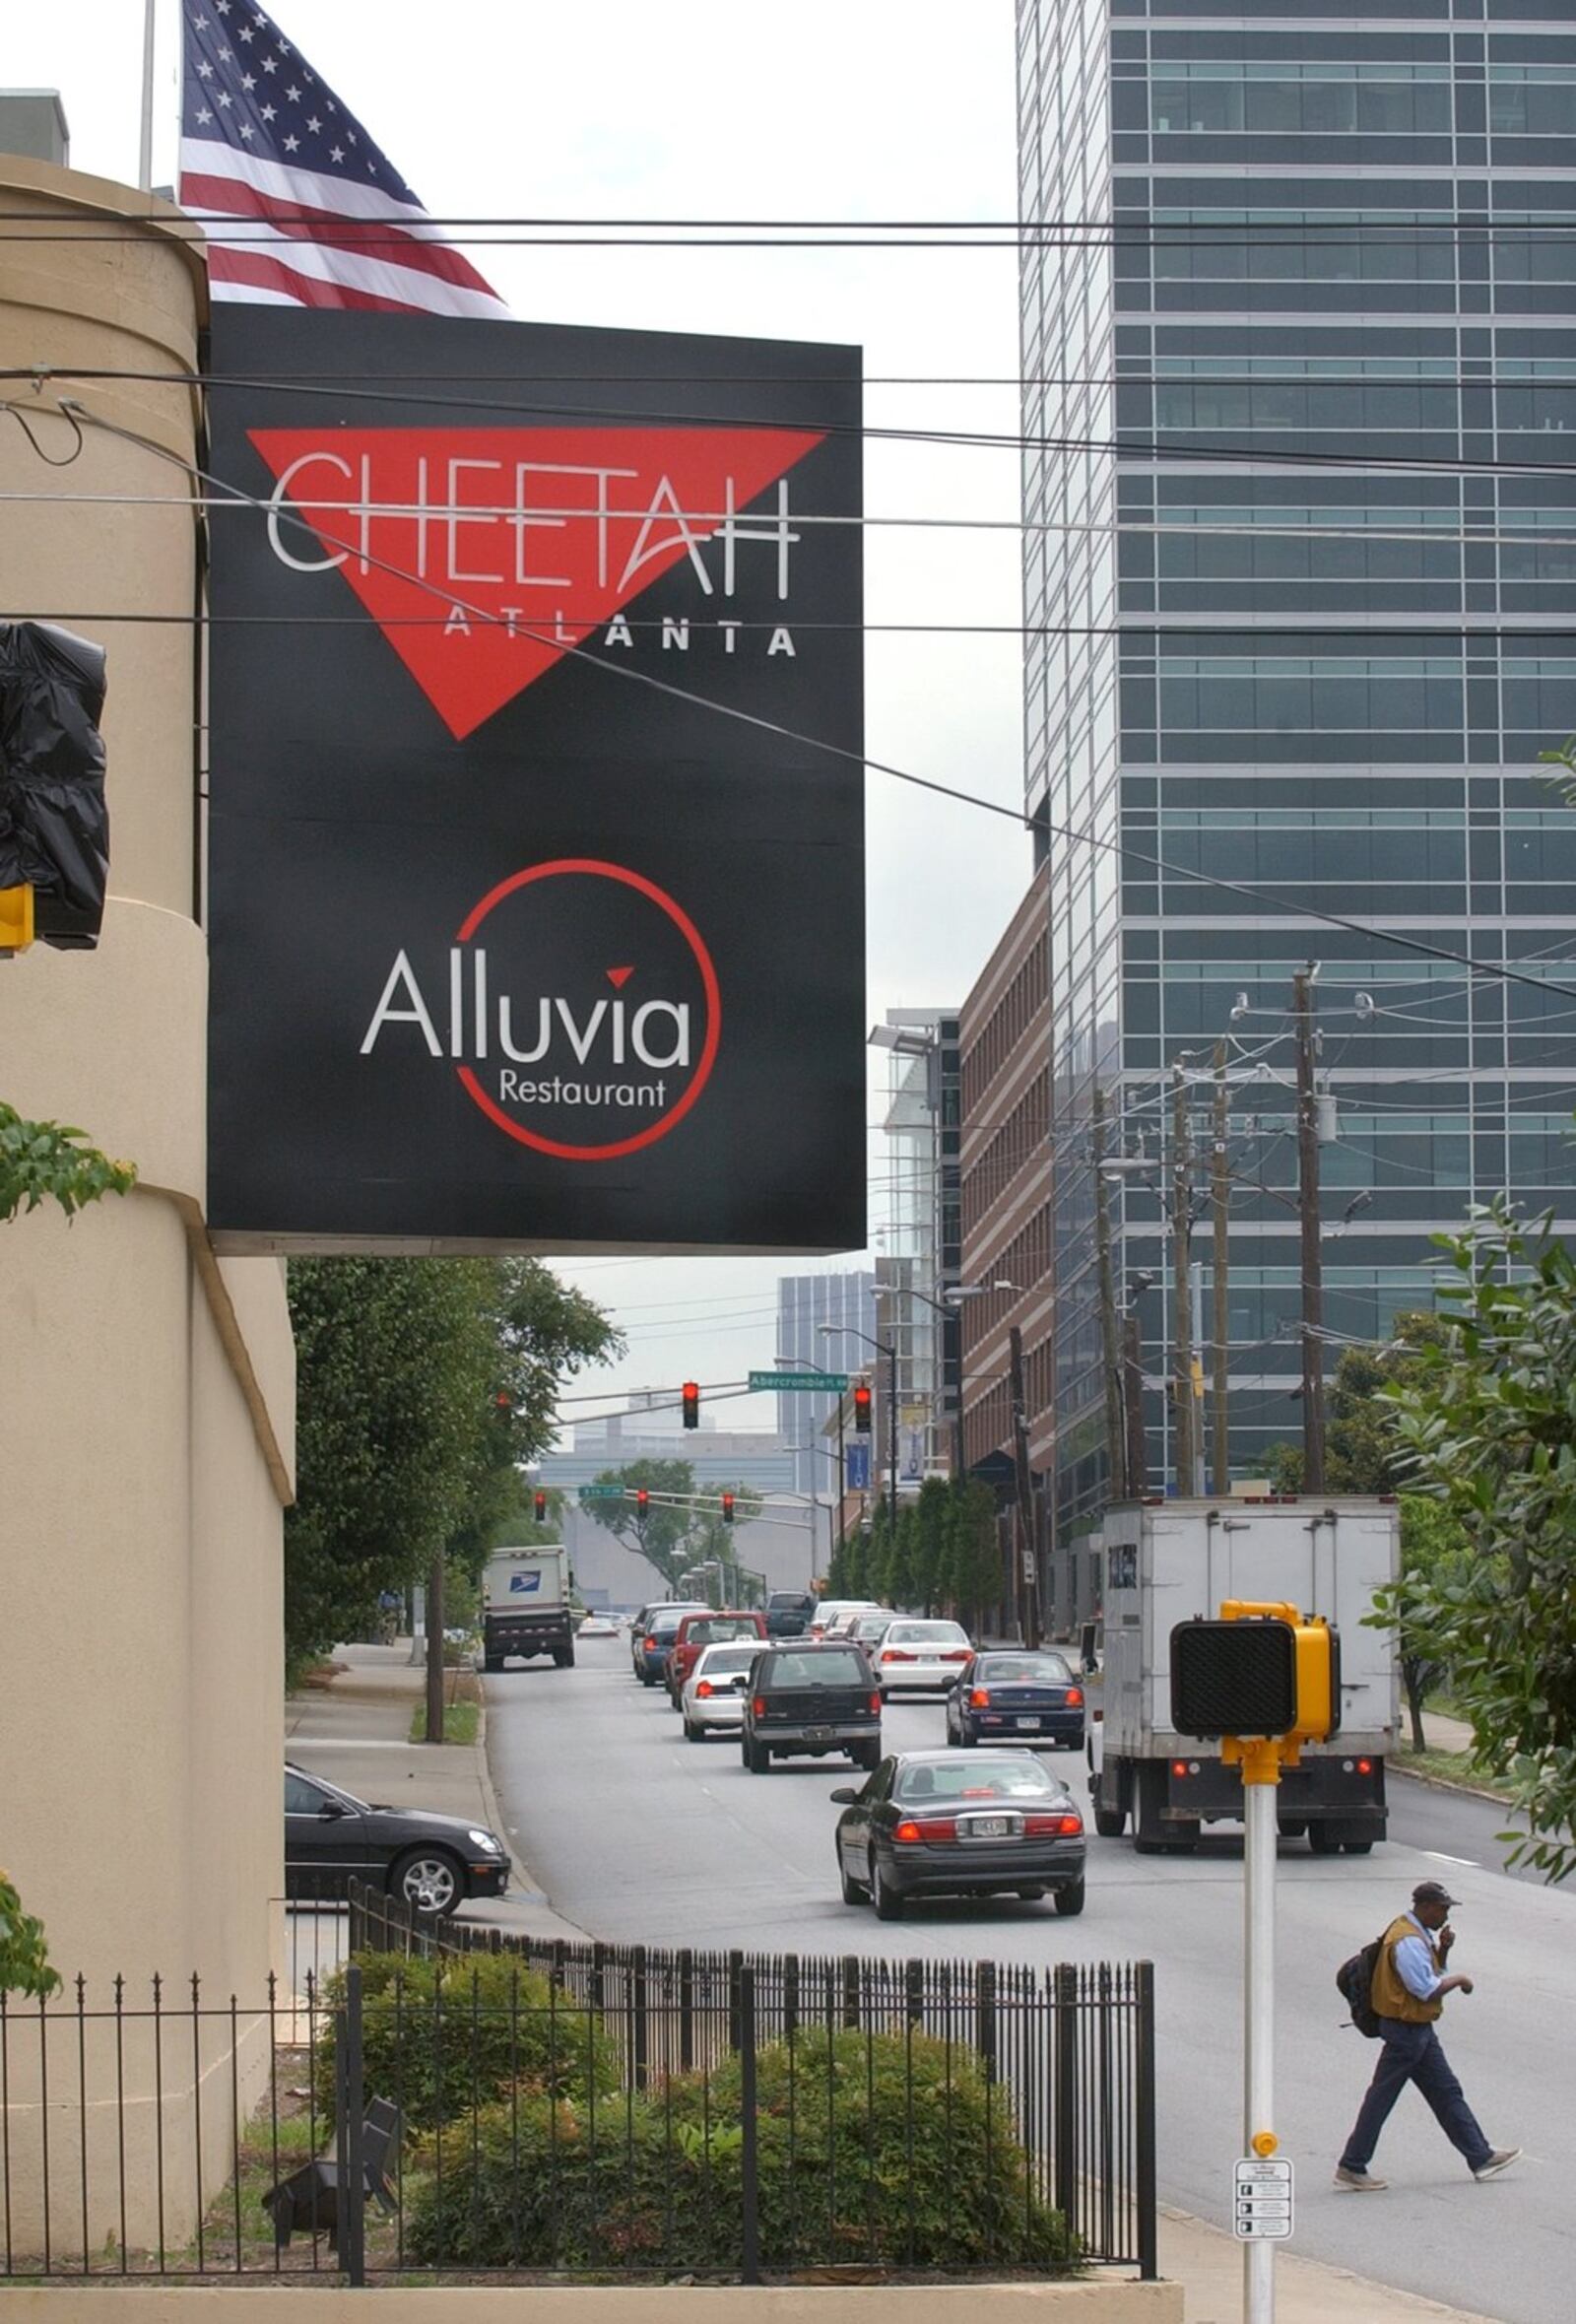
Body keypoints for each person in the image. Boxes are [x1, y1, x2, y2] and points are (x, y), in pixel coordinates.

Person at [1335, 1880, 1519, 2191]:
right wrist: (1460, 1980)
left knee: (1446, 2091)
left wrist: (1443, 1950)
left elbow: (1429, 1974)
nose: (1445, 1916)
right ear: (1426, 1907)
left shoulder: (1416, 1933)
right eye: (1443, 1909)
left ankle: (1480, 2156)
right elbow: (1424, 1989)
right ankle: (1352, 2164)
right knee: (1381, 2098)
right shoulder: (1406, 1940)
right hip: (1405, 2031)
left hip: (1417, 2030)